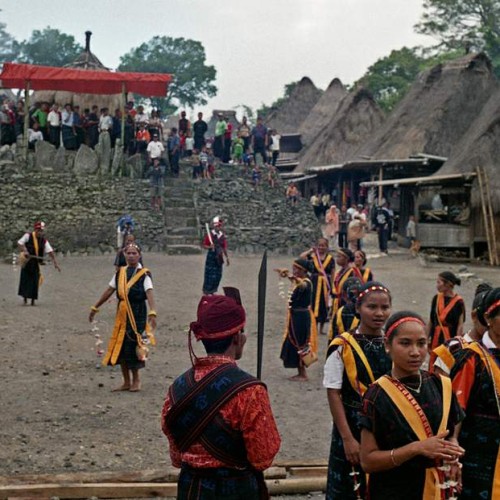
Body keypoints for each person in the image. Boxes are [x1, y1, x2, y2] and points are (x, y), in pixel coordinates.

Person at [161, 294, 281, 499]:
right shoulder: (249, 391)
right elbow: (262, 457)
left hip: (191, 489)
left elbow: (177, 457)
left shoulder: (177, 388)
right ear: (237, 338)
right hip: (235, 489)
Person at [359, 311, 465, 500]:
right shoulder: (377, 396)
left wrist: (452, 450)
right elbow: (367, 461)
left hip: (437, 489)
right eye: (405, 343)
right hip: (394, 490)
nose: (415, 352)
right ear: (387, 345)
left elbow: (451, 431)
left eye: (422, 343)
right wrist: (416, 448)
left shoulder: (440, 385)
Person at [324, 282, 393, 499]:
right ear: (358, 308)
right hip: (353, 424)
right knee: (349, 484)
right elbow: (334, 392)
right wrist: (347, 439)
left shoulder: (394, 344)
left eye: (385, 307)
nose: (379, 313)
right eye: (371, 307)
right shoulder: (342, 346)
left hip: (386, 424)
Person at [449, 287, 500, 499]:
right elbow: (456, 408)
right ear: (488, 317)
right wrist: (452, 451)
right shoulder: (471, 357)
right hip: (478, 454)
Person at [88, 243, 156, 392]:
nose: (131, 256)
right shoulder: (120, 273)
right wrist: (95, 307)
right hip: (122, 313)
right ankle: (126, 381)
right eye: (128, 253)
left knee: (134, 343)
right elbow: (109, 290)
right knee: (122, 344)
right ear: (124, 255)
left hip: (137, 311)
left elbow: (149, 292)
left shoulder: (144, 274)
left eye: (134, 253)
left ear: (139, 255)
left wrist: (153, 311)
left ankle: (136, 380)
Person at [433, 283, 492, 375]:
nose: (492, 325)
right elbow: (439, 386)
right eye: (488, 318)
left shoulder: (495, 350)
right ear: (474, 316)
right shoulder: (453, 349)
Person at [279, 258, 318, 381]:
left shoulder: (307, 282)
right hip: (295, 316)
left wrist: (291, 276)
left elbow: (302, 285)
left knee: (300, 342)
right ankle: (299, 371)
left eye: (296, 269)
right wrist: (288, 276)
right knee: (294, 341)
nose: (294, 271)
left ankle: (303, 373)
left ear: (303, 270)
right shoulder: (300, 281)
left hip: (301, 318)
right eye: (293, 268)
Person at [426, 271, 466, 371]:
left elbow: (460, 325)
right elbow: (431, 320)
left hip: (449, 338)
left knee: (447, 366)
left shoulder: (459, 302)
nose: (437, 286)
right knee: (433, 363)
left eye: (439, 282)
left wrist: (457, 344)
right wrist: (426, 339)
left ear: (448, 284)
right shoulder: (436, 298)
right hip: (436, 337)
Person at [17, 221, 61, 305]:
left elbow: (50, 251)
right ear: (35, 230)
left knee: (34, 281)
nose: (40, 232)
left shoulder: (43, 241)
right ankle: (25, 299)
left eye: (41, 231)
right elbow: (20, 243)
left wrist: (55, 263)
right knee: (25, 280)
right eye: (38, 230)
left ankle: (33, 300)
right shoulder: (28, 236)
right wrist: (25, 251)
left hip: (35, 263)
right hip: (27, 262)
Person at [300, 238, 335, 336]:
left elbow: (332, 272)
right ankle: (313, 327)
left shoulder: (330, 259)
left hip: (325, 283)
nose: (321, 247)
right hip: (314, 282)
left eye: (323, 245)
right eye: (319, 245)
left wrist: (332, 285)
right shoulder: (313, 257)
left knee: (324, 305)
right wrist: (311, 250)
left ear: (327, 247)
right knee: (313, 302)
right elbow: (301, 257)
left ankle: (321, 328)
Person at [331, 248, 362, 319]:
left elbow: (355, 288)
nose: (337, 259)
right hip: (337, 301)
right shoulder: (340, 271)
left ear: (346, 259)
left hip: (346, 302)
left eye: (339, 257)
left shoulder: (353, 271)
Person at [328, 276, 362, 341]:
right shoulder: (339, 314)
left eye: (357, 295)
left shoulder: (339, 313)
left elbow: (332, 338)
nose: (354, 298)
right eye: (352, 294)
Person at [202, 217, 229, 294]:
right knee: (209, 274)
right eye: (217, 226)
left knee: (218, 275)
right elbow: (204, 245)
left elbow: (224, 247)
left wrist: (227, 257)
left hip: (219, 256)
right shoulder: (210, 235)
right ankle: (207, 291)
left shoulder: (222, 236)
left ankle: (214, 290)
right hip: (211, 257)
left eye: (220, 226)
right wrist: (210, 247)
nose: (218, 228)